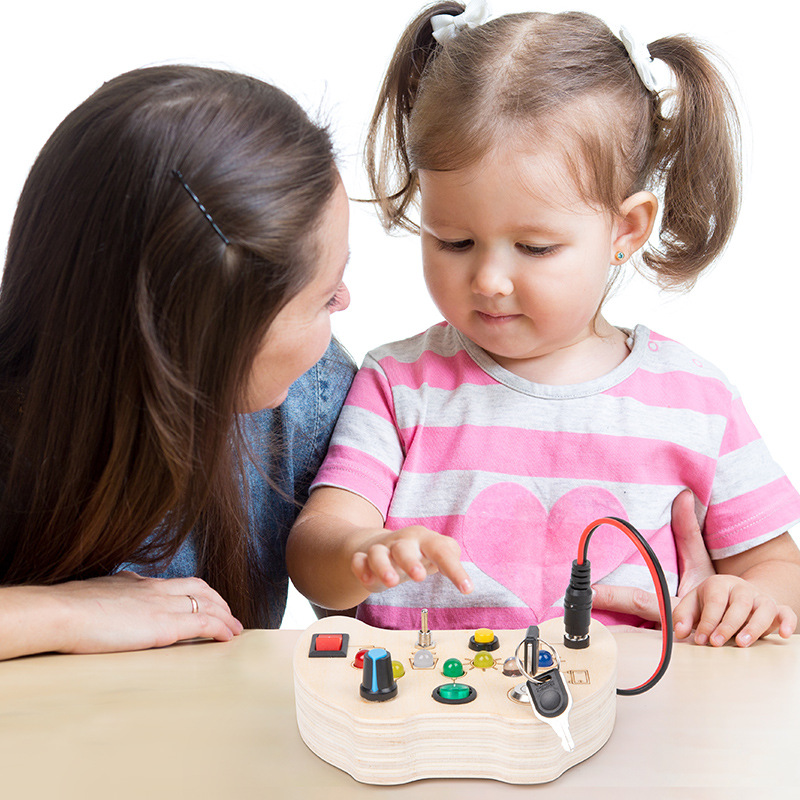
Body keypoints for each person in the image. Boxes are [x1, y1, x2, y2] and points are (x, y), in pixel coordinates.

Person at [286, 2, 800, 647]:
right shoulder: (400, 384)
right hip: (435, 727)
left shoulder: (697, 401)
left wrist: (746, 596)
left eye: (533, 248)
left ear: (626, 228)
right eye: (453, 240)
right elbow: (314, 552)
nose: (489, 280)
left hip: (640, 724)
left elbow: (779, 569)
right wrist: (361, 553)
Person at [0, 65, 354, 661]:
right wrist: (61, 614)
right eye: (325, 294)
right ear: (211, 341)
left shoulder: (312, 399)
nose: (345, 301)